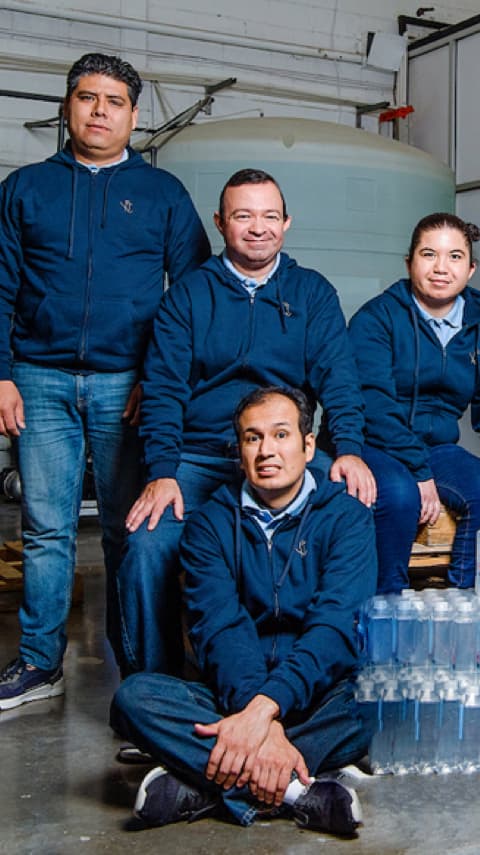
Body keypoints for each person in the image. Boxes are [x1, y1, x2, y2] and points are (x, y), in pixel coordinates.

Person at [0, 53, 210, 709]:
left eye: (113, 101)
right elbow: (1, 286)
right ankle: (41, 661)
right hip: (39, 378)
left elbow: (193, 296)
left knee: (127, 532)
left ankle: (137, 666)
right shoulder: (26, 187)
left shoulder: (163, 194)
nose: (99, 111)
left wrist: (159, 375)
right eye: (87, 97)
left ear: (134, 115)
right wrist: (2, 375)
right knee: (46, 529)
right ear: (67, 107)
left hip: (129, 387)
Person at [117, 168, 375, 676]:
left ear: (287, 222)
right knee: (146, 545)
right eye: (243, 216)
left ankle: (332, 676)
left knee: (354, 512)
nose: (258, 227)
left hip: (284, 449)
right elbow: (164, 391)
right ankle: (156, 685)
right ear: (219, 222)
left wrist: (348, 450)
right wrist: (162, 472)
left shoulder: (311, 293)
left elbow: (338, 378)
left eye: (269, 216)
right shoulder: (187, 297)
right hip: (200, 454)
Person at [111, 386, 374, 836]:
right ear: (239, 452)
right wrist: (261, 721)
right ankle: (296, 791)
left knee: (380, 701)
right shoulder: (209, 524)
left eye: (280, 435)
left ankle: (203, 786)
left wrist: (263, 712)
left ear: (309, 446)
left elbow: (334, 627)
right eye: (252, 438)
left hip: (316, 693)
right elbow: (220, 631)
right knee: (134, 699)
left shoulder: (347, 517)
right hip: (230, 695)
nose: (267, 450)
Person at [348, 213, 480, 593]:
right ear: (409, 262)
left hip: (437, 446)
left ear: (471, 268)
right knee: (397, 495)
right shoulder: (378, 319)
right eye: (429, 254)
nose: (442, 267)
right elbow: (373, 403)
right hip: (375, 442)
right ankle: (383, 607)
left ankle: (461, 606)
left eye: (455, 257)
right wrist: (417, 472)